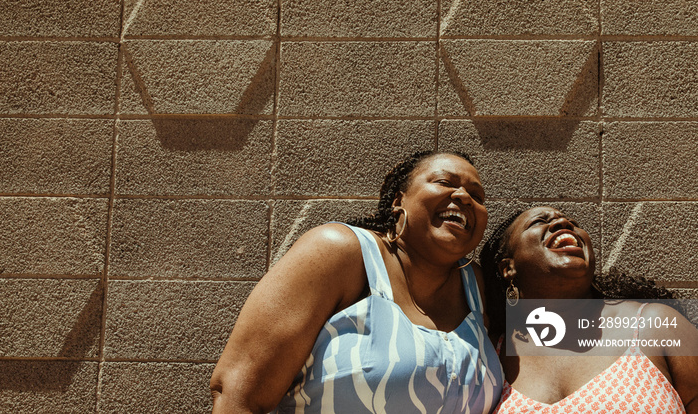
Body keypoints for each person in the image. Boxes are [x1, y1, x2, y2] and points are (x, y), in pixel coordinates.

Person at [210, 151, 504, 413]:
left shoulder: (477, 287)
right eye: (444, 182)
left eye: (477, 197)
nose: (464, 197)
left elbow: (543, 360)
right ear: (398, 201)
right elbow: (238, 394)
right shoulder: (340, 252)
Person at [480, 206, 698, 413]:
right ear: (508, 268)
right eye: (539, 221)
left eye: (572, 222)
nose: (563, 222)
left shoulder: (654, 323)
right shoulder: (491, 354)